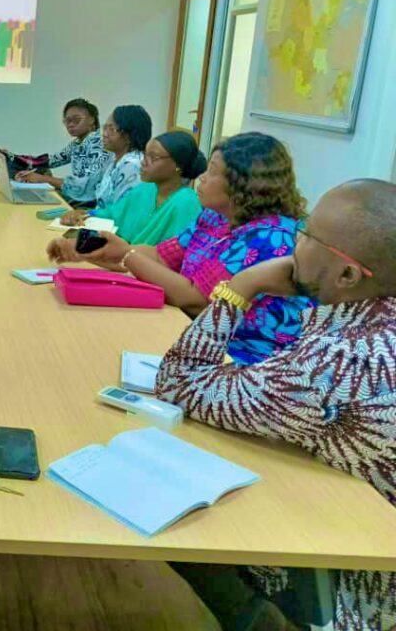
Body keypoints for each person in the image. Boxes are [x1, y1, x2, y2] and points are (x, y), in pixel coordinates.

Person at [157, 179, 396, 631]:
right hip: (364, 530)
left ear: (347, 275)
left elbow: (177, 381)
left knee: (174, 505)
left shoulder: (340, 361)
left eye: (307, 235)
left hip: (362, 588)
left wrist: (241, 286)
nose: (293, 243)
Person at [48, 132, 314, 364]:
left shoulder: (271, 237)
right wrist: (86, 249)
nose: (202, 178)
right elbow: (160, 256)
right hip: (190, 331)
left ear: (243, 183)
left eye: (212, 171)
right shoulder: (214, 217)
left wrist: (126, 255)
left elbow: (196, 299)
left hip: (243, 359)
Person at [57, 130, 205, 246]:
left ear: (178, 165)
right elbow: (113, 214)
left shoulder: (186, 202)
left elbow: (176, 255)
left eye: (153, 157)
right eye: (145, 155)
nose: (144, 162)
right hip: (126, 260)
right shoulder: (145, 190)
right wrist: (84, 214)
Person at [15, 98, 111, 207]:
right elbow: (51, 160)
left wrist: (42, 179)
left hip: (94, 203)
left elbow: (86, 186)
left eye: (76, 120)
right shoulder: (77, 144)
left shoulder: (98, 143)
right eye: (67, 121)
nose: (71, 124)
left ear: (92, 119)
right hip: (80, 196)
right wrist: (12, 157)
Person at [91, 104, 152, 210]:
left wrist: (89, 215)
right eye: (105, 128)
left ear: (129, 136)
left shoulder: (132, 167)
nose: (104, 134)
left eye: (111, 129)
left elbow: (120, 213)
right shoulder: (118, 161)